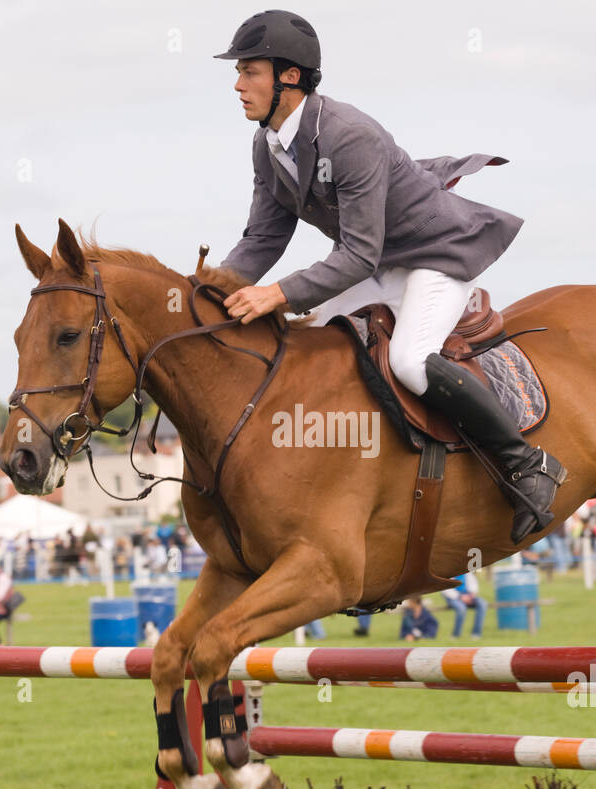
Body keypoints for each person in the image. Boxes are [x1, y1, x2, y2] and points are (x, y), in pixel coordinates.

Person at [214, 10, 565, 544]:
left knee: (407, 359)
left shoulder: (348, 135)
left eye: (249, 71)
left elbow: (355, 254)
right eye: (238, 73)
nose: (238, 85)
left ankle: (527, 463)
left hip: (435, 254)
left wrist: (278, 293)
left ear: (289, 76)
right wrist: (209, 291)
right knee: (308, 339)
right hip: (382, 262)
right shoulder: (268, 145)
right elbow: (264, 238)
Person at [441, 573, 487, 639]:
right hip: (453, 598)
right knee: (461, 608)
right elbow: (445, 589)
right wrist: (460, 597)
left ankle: (476, 634)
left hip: (468, 596)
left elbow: (474, 584)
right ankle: (456, 635)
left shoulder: (467, 573)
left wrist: (471, 595)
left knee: (482, 603)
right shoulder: (448, 572)